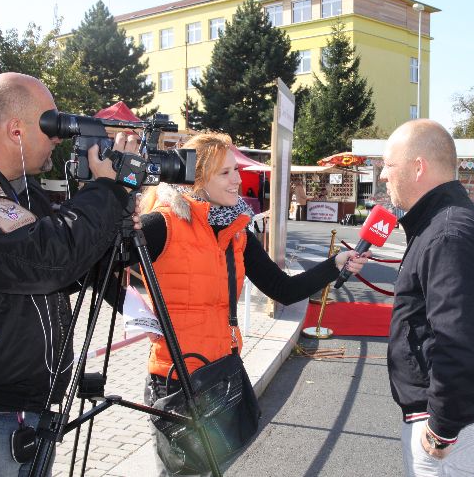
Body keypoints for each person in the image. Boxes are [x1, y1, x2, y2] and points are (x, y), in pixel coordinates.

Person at [0, 73, 137, 476]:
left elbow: (63, 270)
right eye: (51, 126)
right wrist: (106, 191)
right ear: (15, 130)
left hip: (15, 409)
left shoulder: (12, 186)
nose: (58, 137)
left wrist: (111, 227)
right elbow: (42, 262)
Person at [135, 132, 369, 475]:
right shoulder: (162, 223)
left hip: (221, 373)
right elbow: (98, 270)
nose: (237, 180)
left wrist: (334, 265)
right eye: (225, 172)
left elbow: (283, 289)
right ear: (197, 179)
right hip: (175, 378)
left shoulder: (236, 230)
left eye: (236, 170)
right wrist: (141, 316)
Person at [379, 119, 474, 477]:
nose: (383, 175)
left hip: (454, 430)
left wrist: (443, 428)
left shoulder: (448, 235)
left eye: (388, 165)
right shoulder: (444, 224)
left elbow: (459, 342)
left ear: (418, 167)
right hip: (460, 420)